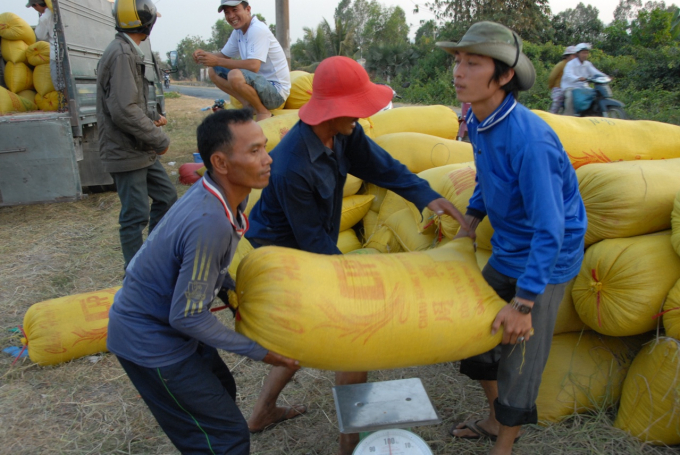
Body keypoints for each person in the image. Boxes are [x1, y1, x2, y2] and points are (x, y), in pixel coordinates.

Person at [244, 55, 472, 455]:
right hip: (282, 250)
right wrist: (357, 286)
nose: (366, 115)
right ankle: (349, 443)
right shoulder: (291, 166)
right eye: (358, 107)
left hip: (310, 238)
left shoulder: (344, 133)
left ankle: (262, 413)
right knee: (357, 334)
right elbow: (313, 244)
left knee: (303, 340)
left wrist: (427, 196)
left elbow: (383, 167)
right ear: (334, 110)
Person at [107, 108, 300, 455]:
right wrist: (265, 354)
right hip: (150, 340)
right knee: (225, 439)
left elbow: (201, 268)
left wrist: (232, 288)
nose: (268, 159)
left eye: (265, 147)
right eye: (254, 151)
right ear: (221, 163)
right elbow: (187, 316)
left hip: (168, 325)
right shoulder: (209, 221)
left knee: (222, 388)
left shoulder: (220, 196)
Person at [436, 22, 587, 455]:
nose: (459, 72)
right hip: (509, 246)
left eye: (473, 63)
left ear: (503, 77)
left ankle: (505, 444)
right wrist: (475, 212)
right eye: (459, 61)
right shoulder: (478, 120)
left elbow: (551, 228)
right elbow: (487, 174)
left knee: (520, 359)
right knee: (477, 330)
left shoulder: (530, 139)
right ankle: (492, 416)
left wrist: (524, 302)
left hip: (547, 257)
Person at [96, 0, 177, 269]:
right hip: (126, 150)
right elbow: (122, 109)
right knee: (135, 215)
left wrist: (152, 117)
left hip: (139, 148)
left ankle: (151, 257)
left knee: (166, 197)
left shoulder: (127, 50)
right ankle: (136, 277)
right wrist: (159, 139)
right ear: (147, 22)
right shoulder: (121, 54)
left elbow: (128, 102)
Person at [193, 0, 290, 121]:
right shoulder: (238, 32)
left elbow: (253, 66)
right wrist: (204, 55)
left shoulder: (257, 29)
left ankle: (262, 111)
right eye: (227, 12)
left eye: (235, 10)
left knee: (235, 75)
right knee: (213, 70)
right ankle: (248, 105)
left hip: (276, 93)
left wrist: (217, 61)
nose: (231, 16)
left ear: (248, 9)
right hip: (258, 85)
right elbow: (223, 55)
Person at [561, 42, 607, 115]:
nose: (585, 55)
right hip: (571, 87)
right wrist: (578, 78)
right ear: (577, 54)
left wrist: (605, 76)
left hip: (583, 87)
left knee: (595, 95)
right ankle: (568, 117)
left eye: (586, 53)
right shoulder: (570, 64)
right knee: (570, 98)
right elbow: (568, 74)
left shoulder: (587, 64)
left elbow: (595, 72)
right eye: (583, 53)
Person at [27, 0, 64, 91]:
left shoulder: (45, 17)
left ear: (37, 5)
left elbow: (40, 35)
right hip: (69, 52)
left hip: (57, 57)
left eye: (34, 7)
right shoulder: (61, 11)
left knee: (60, 85)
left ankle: (68, 103)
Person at [547, 45, 576, 114]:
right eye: (573, 55)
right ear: (567, 56)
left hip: (570, 88)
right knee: (557, 103)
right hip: (559, 88)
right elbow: (552, 76)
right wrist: (551, 86)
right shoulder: (561, 64)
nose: (575, 57)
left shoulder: (575, 66)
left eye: (576, 56)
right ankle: (552, 116)